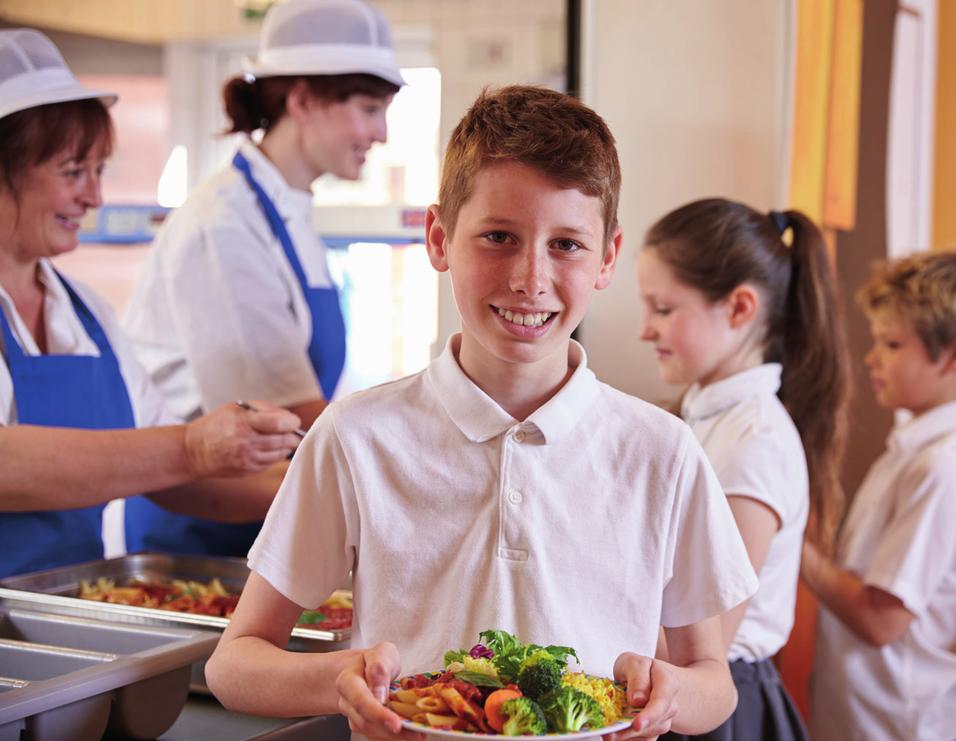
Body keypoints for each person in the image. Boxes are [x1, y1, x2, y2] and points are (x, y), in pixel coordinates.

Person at [205, 85, 760, 738]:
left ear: (607, 257)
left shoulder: (662, 451)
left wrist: (673, 695)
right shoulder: (357, 437)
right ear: (439, 238)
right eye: (498, 235)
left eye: (566, 245)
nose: (530, 277)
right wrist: (340, 677)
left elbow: (712, 678)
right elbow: (234, 664)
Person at [0, 28, 301, 579]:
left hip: (63, 610)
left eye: (98, 172)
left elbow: (174, 476)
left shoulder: (84, 312)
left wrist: (325, 489)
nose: (94, 197)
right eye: (73, 173)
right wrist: (190, 445)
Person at [121, 0, 404, 557]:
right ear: (301, 100)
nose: (383, 132)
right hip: (206, 528)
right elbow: (284, 417)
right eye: (370, 108)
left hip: (270, 508)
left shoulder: (288, 211)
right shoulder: (222, 223)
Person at [635, 199, 849, 741]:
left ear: (738, 308)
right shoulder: (703, 417)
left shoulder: (755, 442)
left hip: (720, 709)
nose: (645, 329)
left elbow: (709, 640)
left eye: (663, 309)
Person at [801, 251, 956, 741]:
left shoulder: (945, 468)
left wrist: (800, 552)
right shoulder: (916, 449)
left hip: (904, 728)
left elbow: (881, 621)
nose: (872, 359)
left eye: (892, 344)